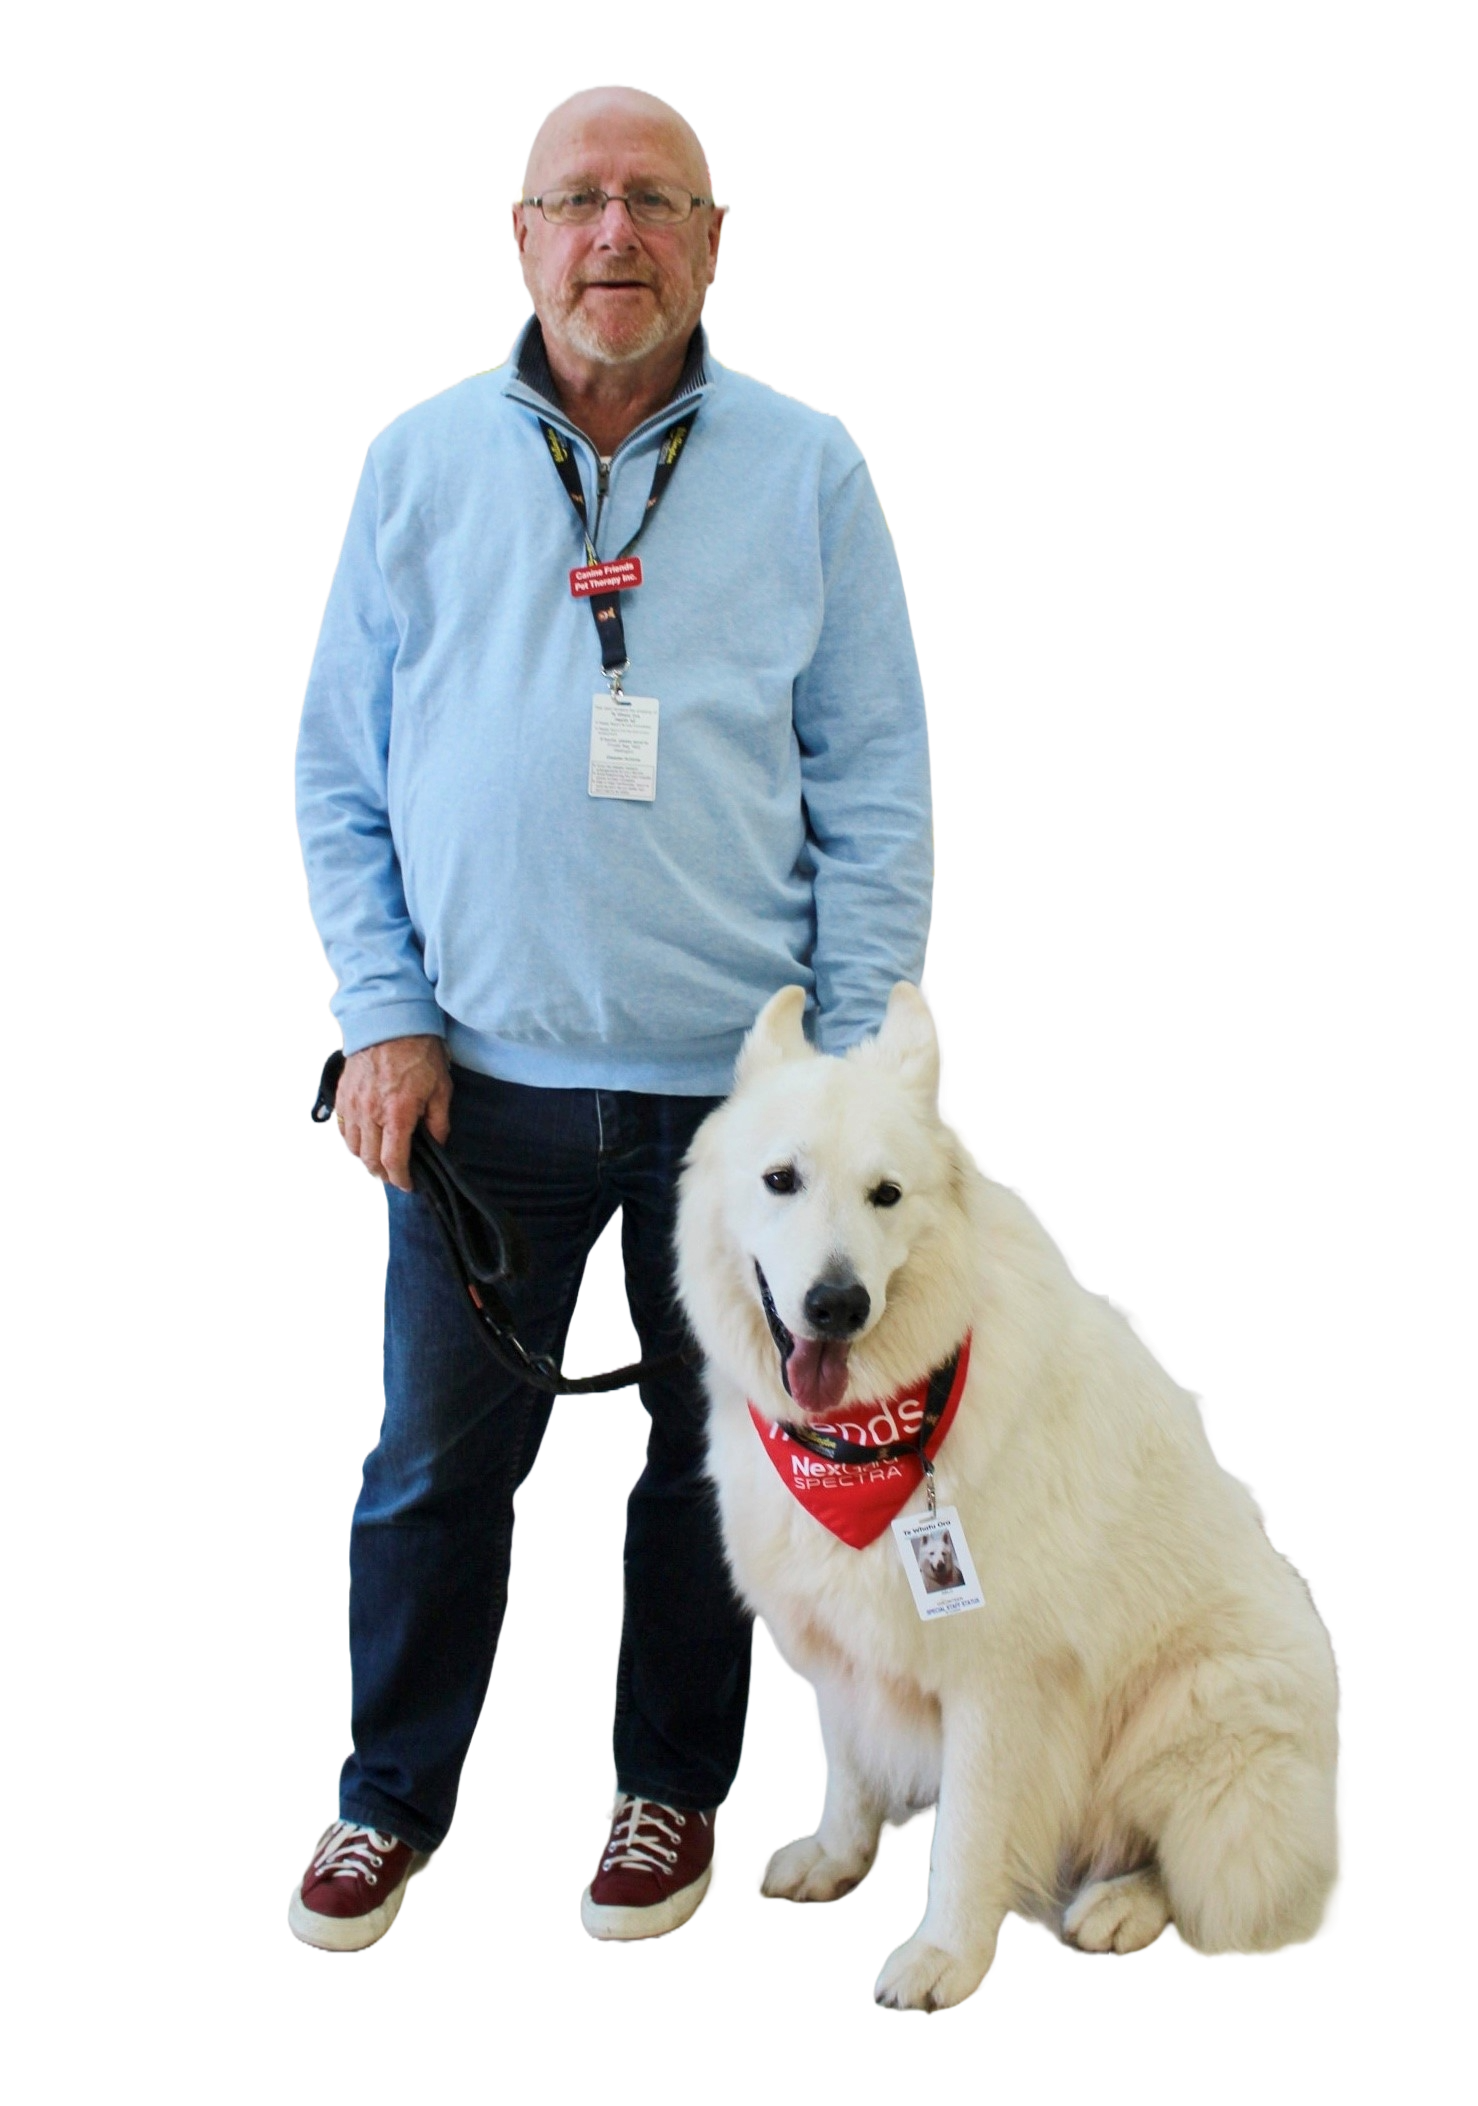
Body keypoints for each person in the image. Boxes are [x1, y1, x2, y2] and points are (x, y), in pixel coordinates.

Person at [289, 81, 935, 1955]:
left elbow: (874, 774)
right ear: (519, 234)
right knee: (431, 1463)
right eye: (577, 199)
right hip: (470, 1085)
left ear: (714, 236)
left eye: (655, 200)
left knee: (715, 1466)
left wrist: (849, 1067)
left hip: (739, 1117)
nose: (615, 234)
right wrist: (383, 1015)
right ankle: (380, 1799)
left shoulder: (811, 467)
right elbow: (340, 772)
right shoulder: (413, 462)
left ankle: (670, 1792)